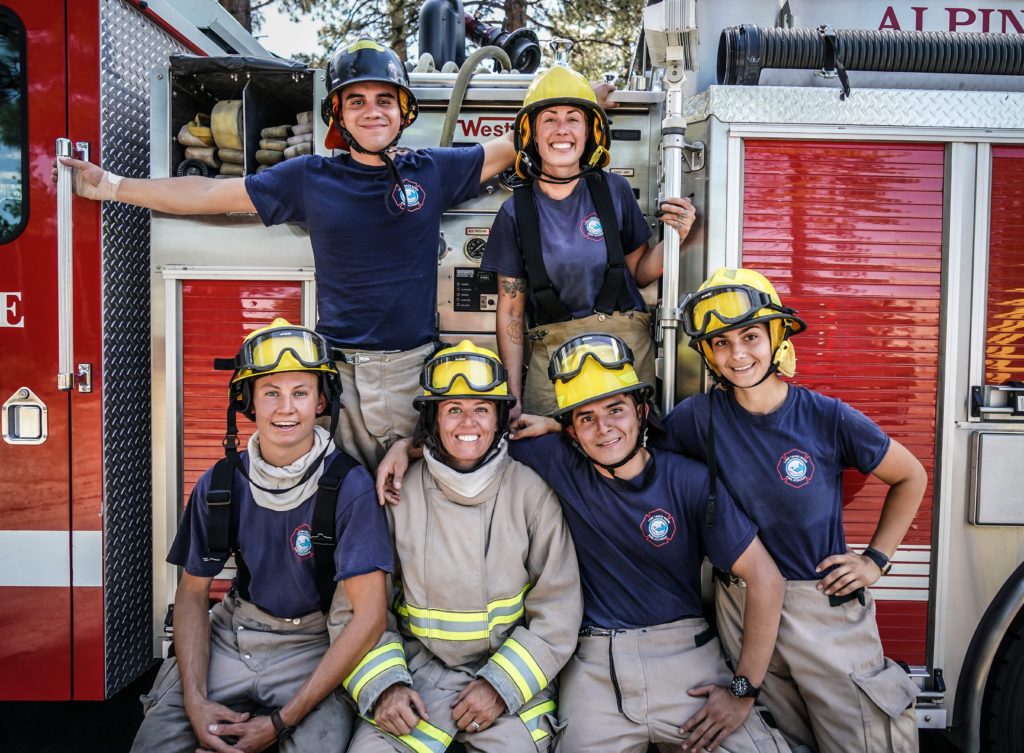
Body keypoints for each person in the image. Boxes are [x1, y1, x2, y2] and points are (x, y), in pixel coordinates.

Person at [58, 37, 571, 471]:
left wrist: (581, 101)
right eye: (357, 101)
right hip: (339, 380)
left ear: (403, 111)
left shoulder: (430, 170)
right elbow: (212, 195)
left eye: (385, 100)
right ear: (339, 116)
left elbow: (514, 143)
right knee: (342, 516)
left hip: (417, 373)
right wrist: (115, 186)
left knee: (412, 513)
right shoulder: (308, 178)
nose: (373, 110)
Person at [380, 333, 791, 753]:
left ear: (642, 411)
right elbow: (469, 441)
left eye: (616, 410)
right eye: (586, 418)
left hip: (687, 659)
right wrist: (402, 449)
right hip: (595, 664)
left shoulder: (688, 480)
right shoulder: (555, 459)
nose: (605, 428)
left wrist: (742, 692)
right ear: (571, 431)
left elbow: (765, 579)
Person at [663, 267, 926, 753]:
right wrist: (563, 432)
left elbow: (911, 476)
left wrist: (875, 561)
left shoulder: (827, 417)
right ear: (706, 352)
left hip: (821, 608)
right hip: (740, 611)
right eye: (720, 342)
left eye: (750, 336)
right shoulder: (694, 420)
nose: (737, 354)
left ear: (777, 335)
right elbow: (630, 459)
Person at [130, 319, 393, 753]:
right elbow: (193, 596)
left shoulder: (351, 487)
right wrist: (195, 703)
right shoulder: (219, 485)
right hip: (235, 632)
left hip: (315, 643)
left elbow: (369, 618)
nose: (285, 409)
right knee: (155, 742)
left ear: (321, 401)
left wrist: (279, 724)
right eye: (270, 392)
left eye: (300, 393)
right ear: (247, 401)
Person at [348, 341, 582, 753]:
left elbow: (558, 610)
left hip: (510, 687)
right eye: (453, 409)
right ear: (433, 420)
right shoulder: (397, 494)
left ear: (498, 420)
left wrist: (500, 685)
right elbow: (356, 610)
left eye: (481, 409)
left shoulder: (531, 492)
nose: (467, 422)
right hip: (416, 680)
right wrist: (384, 686)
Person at [481, 63, 696, 418]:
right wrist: (513, 395)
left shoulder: (615, 191)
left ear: (590, 131)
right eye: (549, 119)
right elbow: (510, 310)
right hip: (551, 361)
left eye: (573, 119)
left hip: (626, 354)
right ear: (532, 134)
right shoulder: (514, 212)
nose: (561, 130)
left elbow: (640, 273)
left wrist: (678, 236)